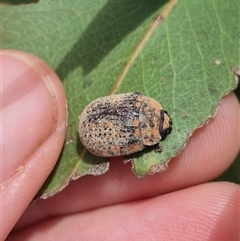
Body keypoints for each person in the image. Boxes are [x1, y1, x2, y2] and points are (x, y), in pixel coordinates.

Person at [1, 50, 239, 241]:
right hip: (92, 128)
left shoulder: (139, 105)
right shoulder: (138, 135)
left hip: (94, 119)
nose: (164, 121)